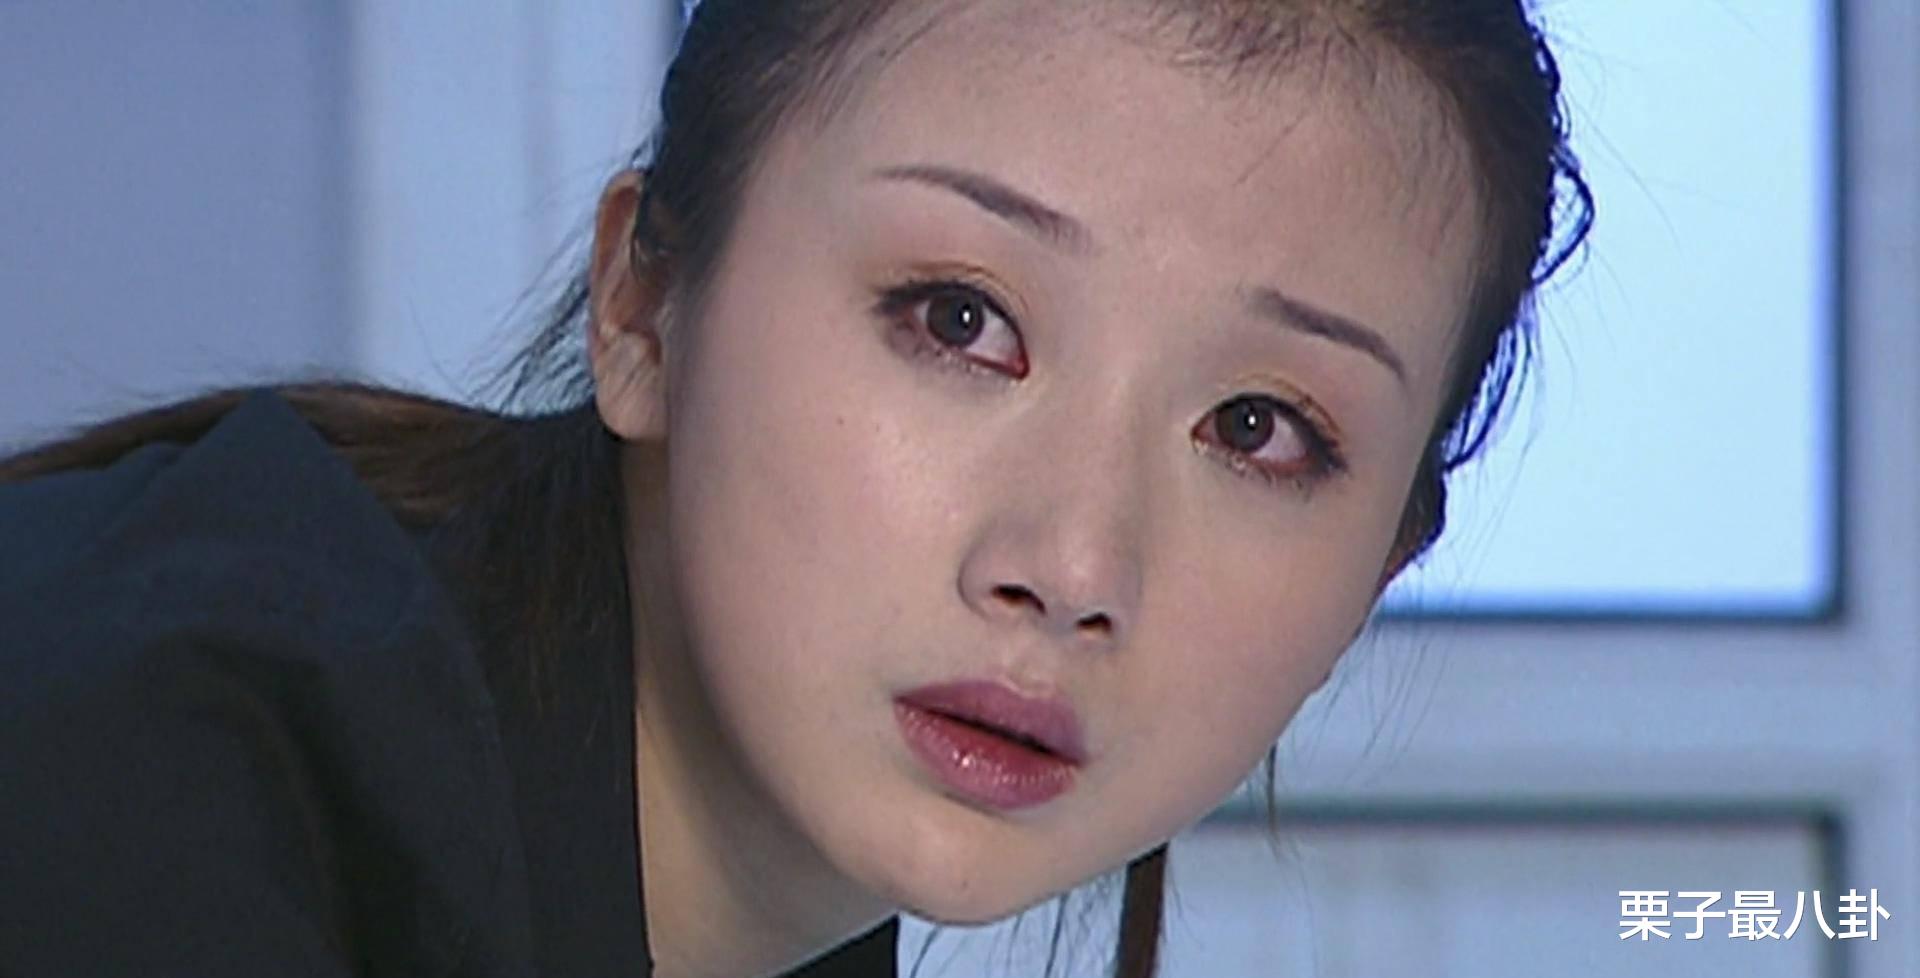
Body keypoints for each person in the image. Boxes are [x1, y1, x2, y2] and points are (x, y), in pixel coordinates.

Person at [0, 1, 1591, 976]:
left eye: (1256, 428)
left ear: (1377, 577)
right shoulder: (145, 785)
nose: (1072, 561)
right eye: (958, 320)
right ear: (644, 303)